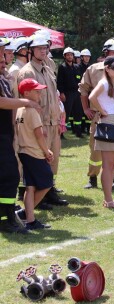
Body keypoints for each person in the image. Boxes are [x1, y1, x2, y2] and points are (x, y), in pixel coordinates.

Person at [18, 35, 68, 208]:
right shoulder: (27, 72)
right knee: (40, 160)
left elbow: (53, 95)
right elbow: (27, 102)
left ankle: (49, 191)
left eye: (45, 48)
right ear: (31, 50)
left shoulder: (47, 69)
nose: (43, 51)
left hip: (53, 121)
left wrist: (60, 113)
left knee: (53, 159)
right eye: (39, 48)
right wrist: (39, 124)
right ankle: (38, 196)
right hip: (40, 123)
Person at [79, 38, 114, 190]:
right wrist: (86, 109)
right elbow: (84, 90)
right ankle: (93, 177)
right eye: (113, 52)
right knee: (96, 148)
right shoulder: (93, 69)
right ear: (106, 52)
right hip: (99, 116)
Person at [0, 52, 42, 234]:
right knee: (9, 175)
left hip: (5, 133)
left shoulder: (3, 78)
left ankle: (7, 216)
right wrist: (26, 102)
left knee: (8, 176)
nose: (4, 62)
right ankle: (6, 219)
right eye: (1, 60)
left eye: (4, 58)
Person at [15, 79, 54, 230]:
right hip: (34, 153)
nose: (39, 93)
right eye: (36, 91)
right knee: (47, 182)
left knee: (30, 186)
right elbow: (39, 135)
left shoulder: (19, 109)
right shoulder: (31, 111)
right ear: (26, 93)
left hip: (24, 151)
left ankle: (30, 220)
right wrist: (47, 151)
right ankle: (26, 213)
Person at [88, 57, 114, 208]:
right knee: (108, 164)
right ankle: (108, 200)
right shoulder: (104, 83)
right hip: (108, 123)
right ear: (107, 69)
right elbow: (92, 96)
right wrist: (102, 110)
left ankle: (109, 199)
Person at [57, 47, 84, 138]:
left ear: (73, 56)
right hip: (67, 93)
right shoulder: (62, 67)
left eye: (71, 55)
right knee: (66, 113)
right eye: (68, 55)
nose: (70, 56)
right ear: (65, 56)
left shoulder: (77, 67)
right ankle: (61, 133)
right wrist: (61, 92)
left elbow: (80, 79)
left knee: (78, 112)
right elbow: (60, 81)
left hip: (77, 93)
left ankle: (78, 132)